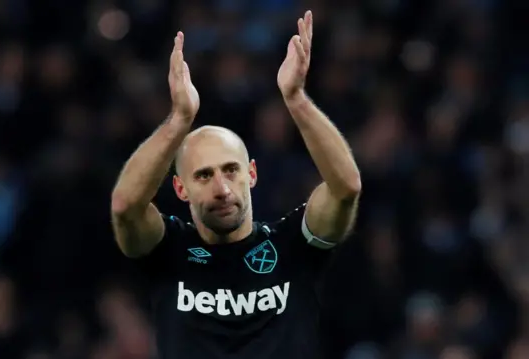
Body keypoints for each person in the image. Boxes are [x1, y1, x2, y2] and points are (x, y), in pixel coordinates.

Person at [111, 10, 361, 359]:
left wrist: (296, 100)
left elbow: (345, 188)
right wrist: (179, 120)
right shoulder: (168, 250)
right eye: (203, 175)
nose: (222, 189)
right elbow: (125, 206)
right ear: (181, 189)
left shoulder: (292, 246)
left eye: (231, 170)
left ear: (252, 174)